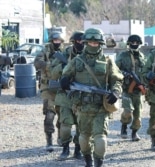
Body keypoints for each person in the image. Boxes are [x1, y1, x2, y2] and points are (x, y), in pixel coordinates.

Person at [60, 28, 123, 166]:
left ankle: (98, 163)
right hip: (82, 107)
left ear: (101, 44)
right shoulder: (77, 61)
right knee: (83, 138)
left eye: (96, 43)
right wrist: (64, 80)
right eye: (91, 43)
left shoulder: (108, 61)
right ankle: (88, 161)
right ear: (86, 42)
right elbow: (66, 74)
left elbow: (116, 79)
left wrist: (116, 92)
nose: (93, 45)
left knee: (100, 138)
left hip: (101, 107)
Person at [51, 31, 85, 160]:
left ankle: (78, 149)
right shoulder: (65, 54)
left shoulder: (88, 56)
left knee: (81, 126)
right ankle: (65, 149)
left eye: (83, 42)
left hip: (82, 95)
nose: (80, 44)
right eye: (78, 41)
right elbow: (53, 73)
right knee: (65, 125)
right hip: (65, 95)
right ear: (73, 41)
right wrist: (64, 68)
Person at [34, 31, 64, 152]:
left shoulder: (65, 51)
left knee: (63, 115)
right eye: (55, 41)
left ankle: (61, 137)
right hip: (47, 87)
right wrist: (52, 65)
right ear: (51, 41)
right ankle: (49, 140)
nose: (57, 43)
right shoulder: (45, 51)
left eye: (59, 41)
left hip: (61, 87)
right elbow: (37, 63)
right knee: (49, 114)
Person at [115, 34, 146, 141]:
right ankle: (124, 126)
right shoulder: (123, 55)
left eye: (137, 43)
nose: (135, 45)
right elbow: (115, 69)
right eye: (133, 43)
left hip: (138, 89)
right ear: (129, 43)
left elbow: (145, 71)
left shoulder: (142, 56)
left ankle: (134, 132)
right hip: (127, 88)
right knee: (128, 110)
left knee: (138, 114)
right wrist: (124, 73)